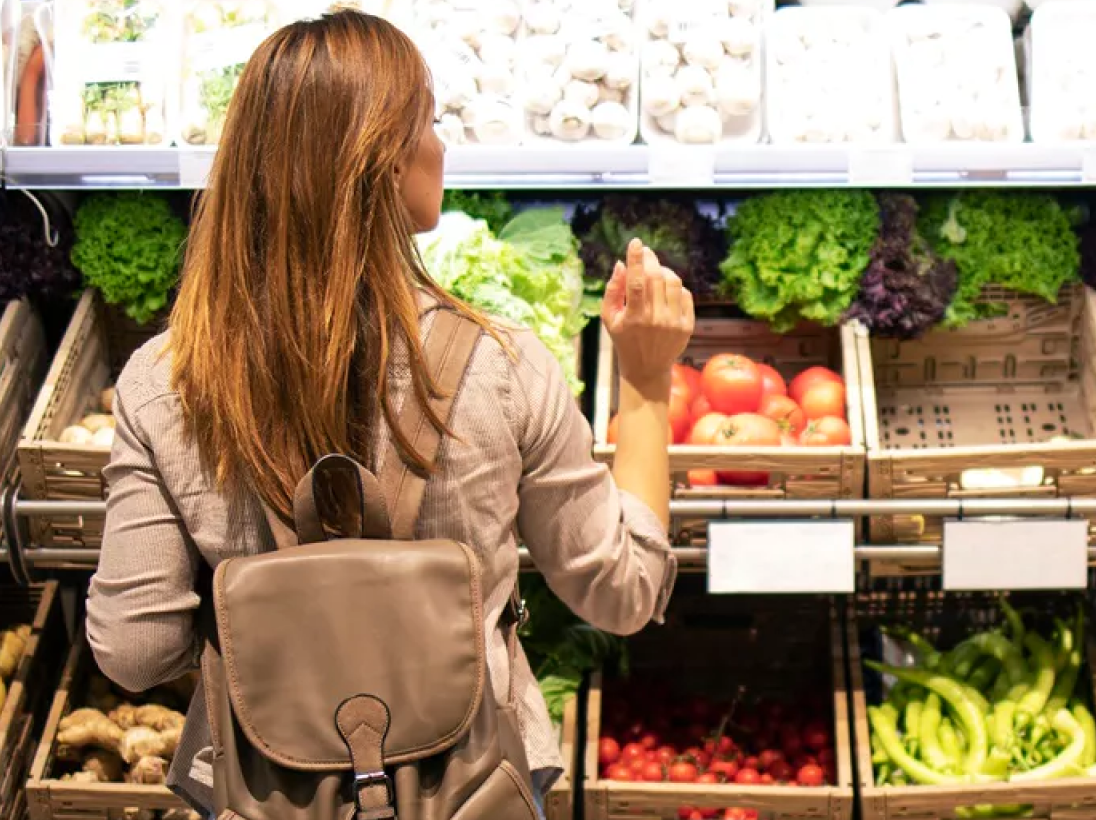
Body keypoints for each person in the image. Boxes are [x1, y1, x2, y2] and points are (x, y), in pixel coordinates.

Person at [83, 9, 691, 810]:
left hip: (261, 789)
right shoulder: (502, 369)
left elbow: (134, 650)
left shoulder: (165, 382)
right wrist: (645, 387)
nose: (440, 145)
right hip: (474, 786)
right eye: (428, 122)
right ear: (383, 163)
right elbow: (623, 593)